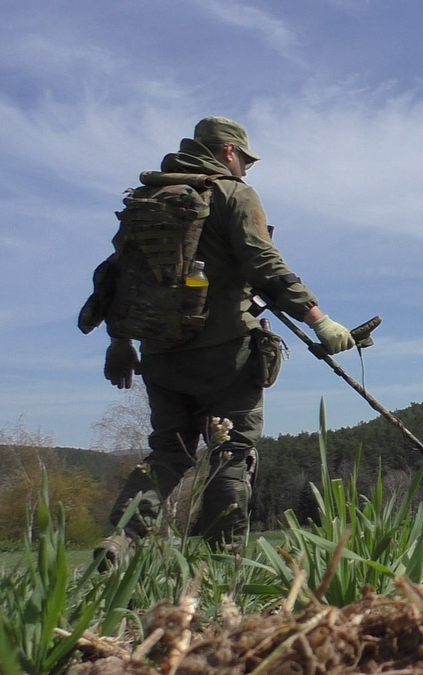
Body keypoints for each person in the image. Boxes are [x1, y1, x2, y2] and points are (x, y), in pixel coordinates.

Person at [99, 116, 355, 550]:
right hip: (224, 352)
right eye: (245, 161)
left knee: (168, 453)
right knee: (232, 451)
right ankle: (221, 563)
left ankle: (122, 539)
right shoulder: (233, 193)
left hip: (158, 352)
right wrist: (318, 319)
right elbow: (262, 261)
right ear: (229, 152)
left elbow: (118, 276)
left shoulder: (146, 199)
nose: (246, 170)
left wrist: (119, 342)